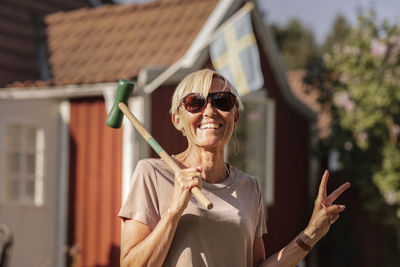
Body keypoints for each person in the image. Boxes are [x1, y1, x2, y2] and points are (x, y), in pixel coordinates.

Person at [118, 69, 350, 267]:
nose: (209, 111)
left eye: (222, 101)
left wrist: (311, 234)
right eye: (195, 103)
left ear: (235, 117)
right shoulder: (152, 174)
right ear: (177, 119)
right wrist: (174, 211)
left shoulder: (250, 187)